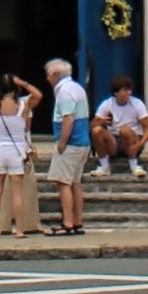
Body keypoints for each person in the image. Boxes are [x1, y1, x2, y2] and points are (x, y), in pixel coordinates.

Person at [0, 73, 41, 237]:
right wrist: (22, 82)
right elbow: (38, 96)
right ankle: (19, 230)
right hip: (16, 151)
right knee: (17, 193)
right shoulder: (23, 106)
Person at [45, 55, 90, 234]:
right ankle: (77, 221)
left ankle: (68, 223)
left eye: (48, 74)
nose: (47, 78)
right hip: (82, 142)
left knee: (63, 183)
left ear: (56, 75)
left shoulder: (64, 92)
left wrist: (62, 143)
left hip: (71, 143)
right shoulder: (77, 87)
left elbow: (68, 118)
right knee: (75, 183)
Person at [96, 74, 148, 175]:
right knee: (97, 130)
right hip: (113, 142)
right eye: (125, 90)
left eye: (130, 89)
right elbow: (93, 125)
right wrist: (102, 122)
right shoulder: (106, 104)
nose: (129, 92)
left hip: (133, 140)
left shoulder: (137, 104)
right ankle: (104, 166)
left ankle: (134, 165)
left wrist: (140, 144)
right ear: (116, 93)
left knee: (124, 130)